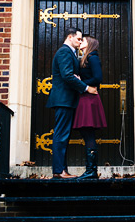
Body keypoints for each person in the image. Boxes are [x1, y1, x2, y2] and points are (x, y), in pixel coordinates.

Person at [46, 27, 99, 179]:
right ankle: (59, 171)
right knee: (61, 135)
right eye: (78, 38)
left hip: (67, 100)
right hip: (63, 100)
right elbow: (67, 76)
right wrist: (86, 87)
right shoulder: (64, 52)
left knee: (64, 135)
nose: (80, 41)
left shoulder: (70, 52)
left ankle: (62, 170)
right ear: (70, 37)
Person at [73, 35, 107, 179]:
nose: (81, 42)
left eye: (83, 40)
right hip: (86, 98)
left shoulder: (92, 57)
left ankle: (91, 171)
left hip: (89, 99)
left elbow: (98, 78)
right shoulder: (86, 57)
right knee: (86, 133)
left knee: (88, 133)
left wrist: (84, 83)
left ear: (90, 44)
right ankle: (90, 170)